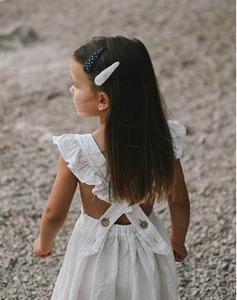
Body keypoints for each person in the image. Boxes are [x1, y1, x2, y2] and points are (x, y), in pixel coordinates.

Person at [33, 36, 190, 300]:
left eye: (75, 85)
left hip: (95, 255)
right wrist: (177, 239)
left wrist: (43, 243)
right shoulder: (162, 143)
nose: (71, 90)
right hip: (147, 248)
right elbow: (179, 201)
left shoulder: (77, 152)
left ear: (102, 100)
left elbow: (54, 213)